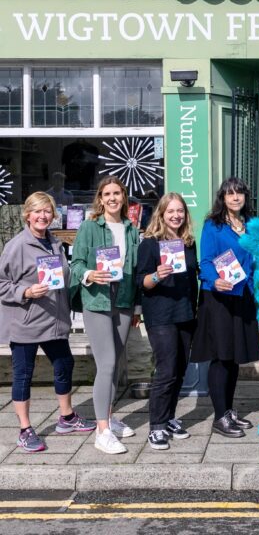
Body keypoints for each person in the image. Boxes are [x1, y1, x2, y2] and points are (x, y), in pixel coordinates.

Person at [0, 192, 95, 452]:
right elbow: (2, 284)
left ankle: (66, 417)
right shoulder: (16, 246)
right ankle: (24, 429)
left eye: (48, 211)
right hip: (26, 322)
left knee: (65, 363)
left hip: (54, 321)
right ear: (27, 215)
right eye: (38, 211)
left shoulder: (55, 243)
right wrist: (26, 292)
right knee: (23, 375)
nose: (43, 216)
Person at [69, 176, 141, 454]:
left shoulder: (131, 229)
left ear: (124, 197)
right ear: (100, 199)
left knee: (116, 364)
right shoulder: (89, 227)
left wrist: (136, 307)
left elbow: (134, 273)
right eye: (107, 193)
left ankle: (109, 417)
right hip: (97, 301)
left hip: (122, 301)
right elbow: (75, 264)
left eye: (117, 193)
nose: (112, 198)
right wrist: (89, 274)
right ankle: (102, 432)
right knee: (108, 363)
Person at [190, 177, 259, 438]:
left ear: (245, 197)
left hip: (243, 296)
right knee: (221, 357)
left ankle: (229, 411)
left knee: (233, 357)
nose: (235, 198)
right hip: (218, 297)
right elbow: (206, 261)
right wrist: (214, 280)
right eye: (230, 194)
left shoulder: (253, 226)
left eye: (239, 193)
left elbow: (258, 260)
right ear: (222, 198)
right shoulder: (213, 225)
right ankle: (219, 417)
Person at [136, 193, 199, 450]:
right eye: (171, 211)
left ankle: (170, 417)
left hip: (185, 313)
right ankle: (157, 427)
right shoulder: (149, 244)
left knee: (181, 369)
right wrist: (156, 275)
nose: (176, 215)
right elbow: (141, 282)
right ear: (161, 214)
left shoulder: (188, 242)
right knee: (166, 369)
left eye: (180, 211)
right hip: (160, 315)